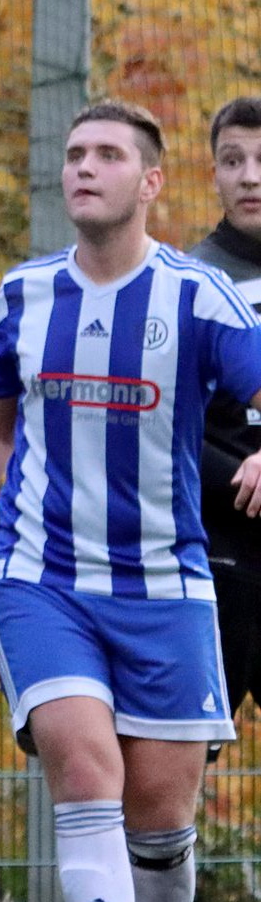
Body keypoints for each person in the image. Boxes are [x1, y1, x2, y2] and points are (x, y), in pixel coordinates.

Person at [0, 100, 261, 902]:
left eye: (106, 154)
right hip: (39, 575)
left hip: (169, 585)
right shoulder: (23, 294)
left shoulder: (194, 296)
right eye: (73, 154)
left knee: (160, 823)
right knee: (84, 765)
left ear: (149, 183)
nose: (83, 168)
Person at [189, 95, 261, 726]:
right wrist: (238, 473)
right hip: (218, 544)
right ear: (213, 172)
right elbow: (164, 422)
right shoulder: (188, 280)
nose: (250, 176)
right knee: (188, 742)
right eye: (233, 160)